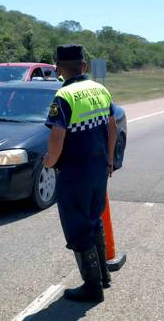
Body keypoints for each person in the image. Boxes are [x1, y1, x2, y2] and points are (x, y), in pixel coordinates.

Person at [44, 44, 117, 303]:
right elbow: (112, 127)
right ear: (84, 66)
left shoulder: (63, 97)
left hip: (75, 172)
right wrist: (109, 159)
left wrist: (50, 162)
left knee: (78, 226)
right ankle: (104, 277)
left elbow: (57, 136)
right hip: (98, 168)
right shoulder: (101, 89)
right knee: (94, 219)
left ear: (58, 68)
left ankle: (92, 287)